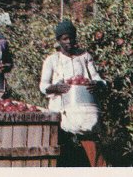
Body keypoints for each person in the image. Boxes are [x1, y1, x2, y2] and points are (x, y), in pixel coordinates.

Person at [39, 20, 107, 167]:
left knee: (92, 149)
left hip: (84, 111)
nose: (69, 41)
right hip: (61, 111)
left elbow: (96, 78)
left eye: (71, 37)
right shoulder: (52, 60)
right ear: (58, 40)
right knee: (64, 149)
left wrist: (97, 84)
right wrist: (55, 88)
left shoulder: (84, 57)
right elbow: (43, 86)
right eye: (64, 38)